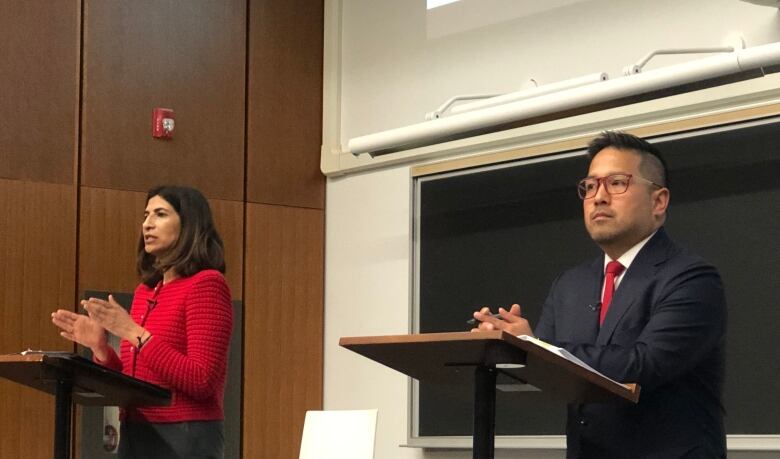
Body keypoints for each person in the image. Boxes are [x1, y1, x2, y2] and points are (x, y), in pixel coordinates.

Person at [472, 132, 727, 458]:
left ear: (658, 201)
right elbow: (547, 366)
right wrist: (506, 345)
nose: (599, 197)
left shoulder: (691, 278)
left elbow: (645, 364)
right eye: (590, 186)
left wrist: (534, 345)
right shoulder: (570, 284)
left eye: (617, 183)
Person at [52, 185, 233, 459]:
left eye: (160, 214)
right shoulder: (145, 292)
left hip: (186, 435)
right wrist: (101, 349)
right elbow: (138, 379)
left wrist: (130, 331)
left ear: (189, 225)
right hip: (136, 430)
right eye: (145, 215)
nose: (147, 224)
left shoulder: (206, 284)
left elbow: (201, 380)